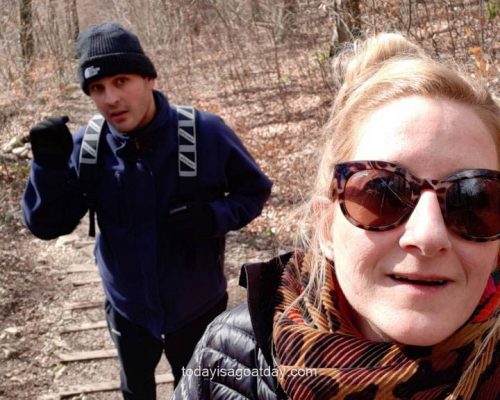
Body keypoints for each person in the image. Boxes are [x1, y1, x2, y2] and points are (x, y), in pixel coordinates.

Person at [173, 32, 499, 399]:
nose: (427, 236)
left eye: (473, 200)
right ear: (326, 226)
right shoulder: (228, 358)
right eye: (382, 193)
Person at [21, 22, 272, 399]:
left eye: (121, 81)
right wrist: (48, 168)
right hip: (127, 307)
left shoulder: (204, 133)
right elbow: (46, 224)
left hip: (197, 304)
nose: (110, 99)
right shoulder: (89, 149)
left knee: (197, 389)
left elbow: (254, 191)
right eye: (97, 89)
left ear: (149, 78)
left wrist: (214, 216)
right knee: (135, 387)